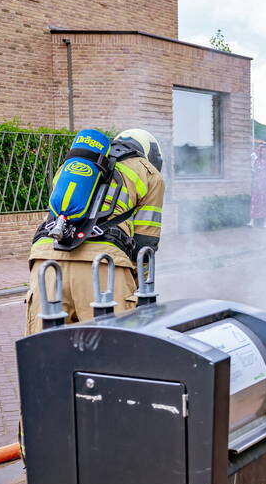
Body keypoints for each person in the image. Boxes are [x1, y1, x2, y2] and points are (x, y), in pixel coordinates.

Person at [26, 128, 165, 334]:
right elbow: (146, 243)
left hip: (46, 263)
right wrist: (137, 281)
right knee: (110, 354)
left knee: (45, 354)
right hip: (104, 267)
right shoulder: (149, 173)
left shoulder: (75, 165)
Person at [249, 143, 266, 227]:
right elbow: (254, 171)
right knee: (255, 201)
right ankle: (252, 221)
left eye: (265, 151)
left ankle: (265, 222)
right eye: (261, 151)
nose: (263, 152)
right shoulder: (257, 161)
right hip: (258, 183)